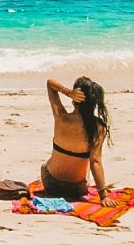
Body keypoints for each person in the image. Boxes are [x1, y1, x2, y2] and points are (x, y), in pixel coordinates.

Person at [43, 77, 116, 207]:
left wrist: (68, 92)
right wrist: (103, 196)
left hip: (51, 184)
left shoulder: (61, 117)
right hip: (78, 189)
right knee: (88, 162)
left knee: (45, 165)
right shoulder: (98, 128)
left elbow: (50, 84)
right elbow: (96, 162)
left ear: (75, 100)